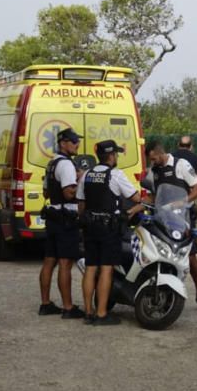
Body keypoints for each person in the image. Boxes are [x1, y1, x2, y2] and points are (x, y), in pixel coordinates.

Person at [77, 140, 143, 326]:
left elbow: (81, 205)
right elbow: (135, 197)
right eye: (116, 154)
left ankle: (88, 311)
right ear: (112, 156)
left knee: (90, 268)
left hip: (90, 226)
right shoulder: (116, 174)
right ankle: (101, 313)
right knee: (106, 268)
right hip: (108, 227)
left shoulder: (87, 174)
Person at [144, 140, 197, 311]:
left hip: (183, 218)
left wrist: (182, 202)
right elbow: (153, 195)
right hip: (162, 217)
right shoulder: (155, 171)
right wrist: (139, 204)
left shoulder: (181, 165)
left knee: (191, 255)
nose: (152, 163)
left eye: (153, 159)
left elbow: (196, 189)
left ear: (160, 153)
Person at [38, 128, 86, 319]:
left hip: (53, 217)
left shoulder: (52, 163)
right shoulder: (66, 165)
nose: (77, 144)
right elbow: (69, 193)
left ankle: (45, 303)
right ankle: (68, 307)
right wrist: (81, 180)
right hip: (67, 218)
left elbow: (46, 193)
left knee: (49, 261)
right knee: (65, 263)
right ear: (63, 143)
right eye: (74, 141)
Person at [171, 137, 197, 310]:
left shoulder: (172, 157)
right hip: (186, 211)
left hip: (171, 211)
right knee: (191, 254)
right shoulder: (193, 158)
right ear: (191, 146)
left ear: (178, 145)